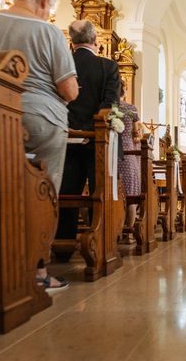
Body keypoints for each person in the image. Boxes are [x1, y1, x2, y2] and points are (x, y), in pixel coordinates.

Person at [0, 0, 79, 293]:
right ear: (44, 0)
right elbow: (69, 90)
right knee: (42, 193)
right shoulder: (48, 32)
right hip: (37, 121)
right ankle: (36, 269)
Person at [56, 19, 120, 249]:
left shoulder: (62, 63)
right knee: (98, 193)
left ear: (72, 41)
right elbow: (109, 105)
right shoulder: (108, 67)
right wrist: (91, 129)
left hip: (65, 137)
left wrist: (72, 129)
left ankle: (62, 246)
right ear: (95, 41)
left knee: (67, 193)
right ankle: (100, 245)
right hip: (98, 142)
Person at [117, 83, 141, 244]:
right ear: (124, 92)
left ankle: (112, 230)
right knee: (130, 195)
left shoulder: (105, 107)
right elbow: (136, 134)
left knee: (111, 192)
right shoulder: (130, 109)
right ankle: (129, 233)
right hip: (128, 153)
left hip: (110, 153)